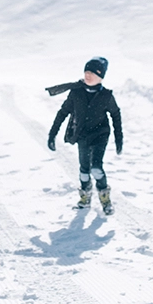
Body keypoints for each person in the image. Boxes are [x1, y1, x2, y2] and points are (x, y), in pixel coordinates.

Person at [46, 57, 124, 215]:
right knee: (84, 171)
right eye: (86, 71)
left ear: (100, 76)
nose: (88, 75)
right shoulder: (76, 92)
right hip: (82, 135)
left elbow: (116, 115)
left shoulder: (106, 96)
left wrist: (119, 138)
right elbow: (63, 112)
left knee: (96, 168)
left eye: (92, 73)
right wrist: (52, 134)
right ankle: (85, 197)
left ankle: (104, 198)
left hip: (100, 135)